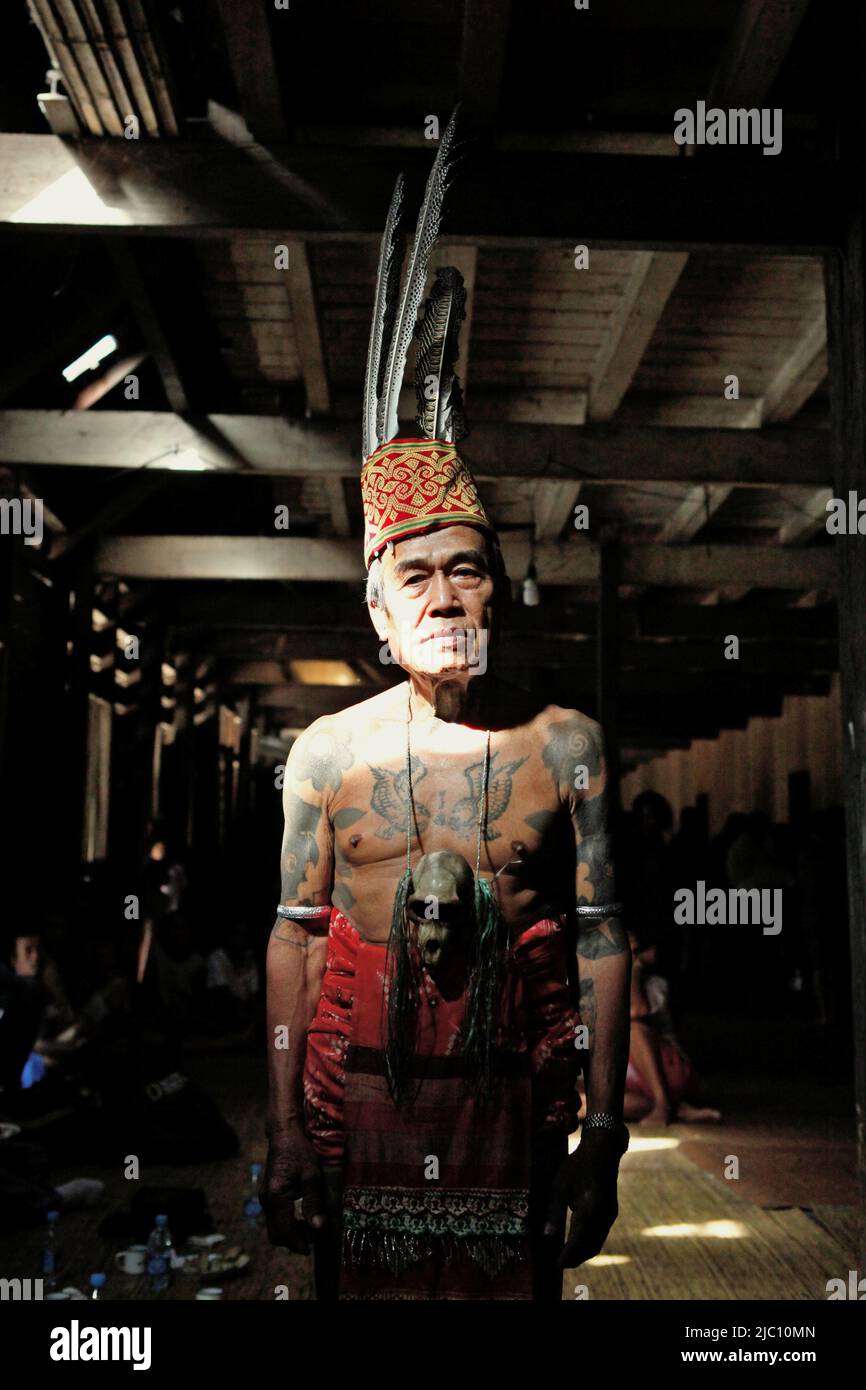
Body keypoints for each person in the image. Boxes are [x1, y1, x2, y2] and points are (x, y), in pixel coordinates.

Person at [260, 113, 631, 1302]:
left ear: (500, 588)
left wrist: (604, 1143)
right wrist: (282, 1135)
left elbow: (599, 937)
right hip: (361, 1105)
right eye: (412, 577)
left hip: (514, 1112)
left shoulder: (565, 746)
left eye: (465, 568)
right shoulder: (324, 757)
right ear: (374, 614)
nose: (442, 593)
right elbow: (294, 939)